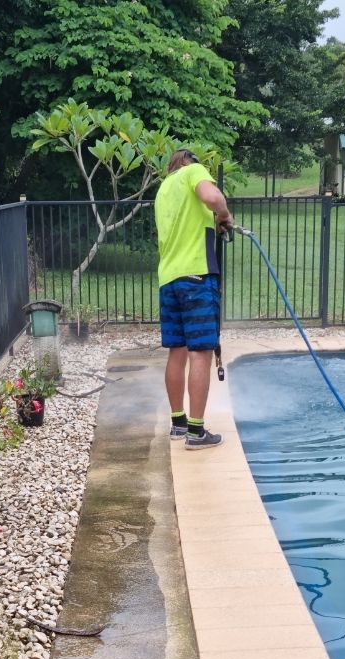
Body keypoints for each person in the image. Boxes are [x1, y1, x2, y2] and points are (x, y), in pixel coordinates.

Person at [155, 148, 234, 449]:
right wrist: (224, 215)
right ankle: (197, 432)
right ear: (189, 162)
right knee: (199, 351)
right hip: (197, 276)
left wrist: (212, 224)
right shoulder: (193, 172)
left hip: (169, 279)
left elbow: (183, 227)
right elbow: (213, 198)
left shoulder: (164, 189)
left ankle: (178, 423)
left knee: (177, 350)